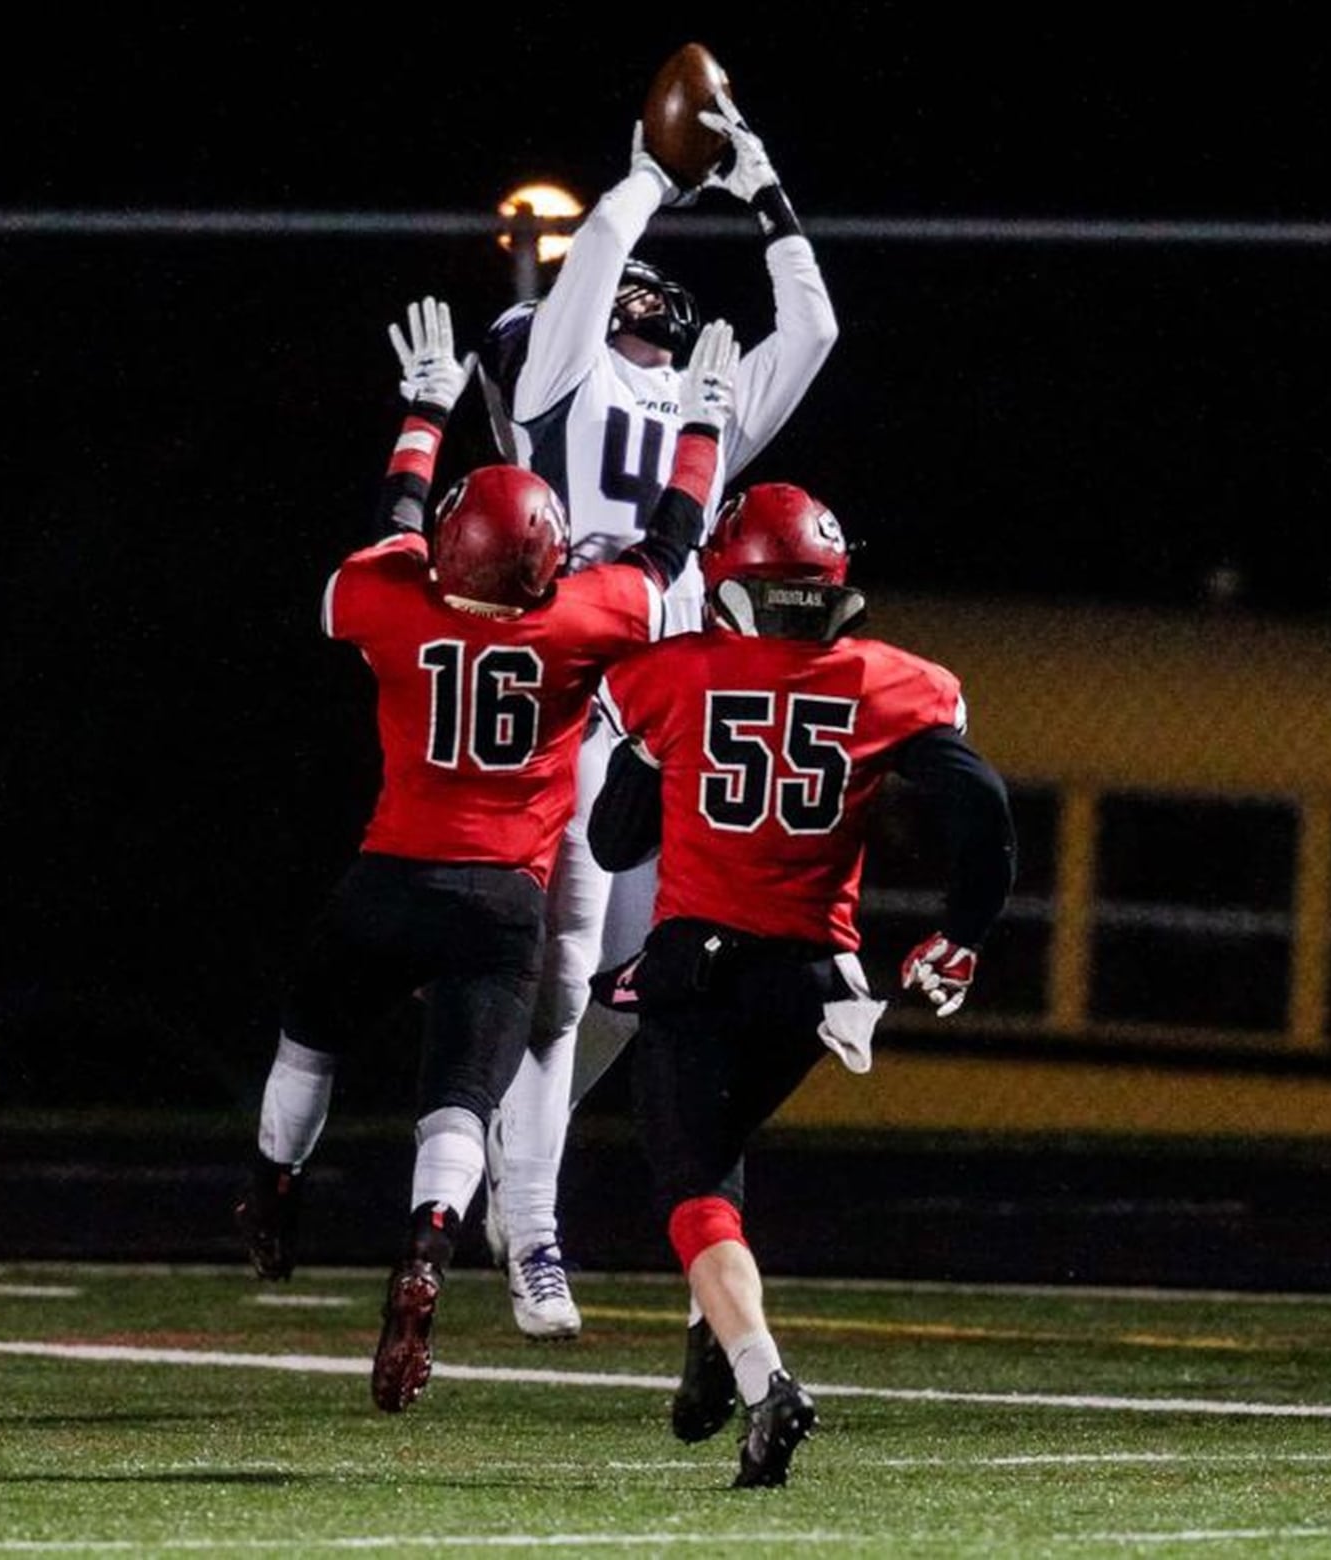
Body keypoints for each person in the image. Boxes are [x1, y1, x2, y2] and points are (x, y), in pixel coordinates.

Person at [232, 296, 740, 1414]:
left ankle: (272, 1188)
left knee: (308, 1047)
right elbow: (665, 548)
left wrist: (423, 411)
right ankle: (425, 1254)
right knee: (456, 1104)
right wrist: (699, 428)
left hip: (385, 880)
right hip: (499, 902)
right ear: (549, 562)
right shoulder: (580, 619)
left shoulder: (392, 605)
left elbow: (391, 524)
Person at [475, 89, 839, 1340]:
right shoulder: (553, 387)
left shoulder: (699, 408)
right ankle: (533, 1228)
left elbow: (815, 327)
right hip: (581, 701)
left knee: (631, 990)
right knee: (567, 982)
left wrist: (752, 186)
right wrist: (677, 180)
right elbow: (582, 297)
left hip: (665, 720)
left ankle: (526, 1148)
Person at [585, 481, 1018, 1486]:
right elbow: (983, 806)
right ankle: (706, 1350)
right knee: (718, 1158)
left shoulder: (674, 675)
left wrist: (656, 753)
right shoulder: (884, 681)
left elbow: (614, 844)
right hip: (817, 987)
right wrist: (961, 934)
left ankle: (762, 1377)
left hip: (698, 970)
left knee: (694, 1190)